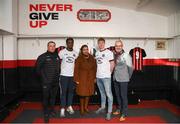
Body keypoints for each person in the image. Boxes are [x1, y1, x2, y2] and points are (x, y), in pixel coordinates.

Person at [36, 41, 60, 123]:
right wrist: (44, 79)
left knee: (53, 97)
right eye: (50, 46)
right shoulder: (42, 56)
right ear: (47, 47)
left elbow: (58, 68)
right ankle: (46, 113)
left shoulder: (57, 56)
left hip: (55, 82)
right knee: (46, 97)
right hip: (46, 82)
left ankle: (52, 110)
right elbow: (37, 70)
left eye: (53, 46)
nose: (52, 47)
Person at [113, 40, 133, 121]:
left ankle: (124, 113)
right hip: (115, 78)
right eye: (116, 46)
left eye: (119, 45)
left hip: (124, 79)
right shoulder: (114, 55)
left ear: (122, 46)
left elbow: (131, 68)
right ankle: (119, 109)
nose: (118, 47)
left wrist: (128, 77)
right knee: (117, 95)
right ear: (115, 47)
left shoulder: (126, 55)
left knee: (123, 96)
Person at [74, 45, 97, 115]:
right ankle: (81, 108)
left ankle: (85, 107)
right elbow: (76, 69)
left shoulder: (92, 58)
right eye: (84, 49)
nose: (86, 51)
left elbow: (95, 68)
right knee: (82, 94)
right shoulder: (79, 58)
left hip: (90, 78)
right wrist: (76, 79)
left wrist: (95, 77)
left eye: (86, 49)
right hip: (82, 78)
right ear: (81, 50)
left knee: (88, 93)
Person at [95, 38, 114, 120]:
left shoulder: (109, 52)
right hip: (98, 76)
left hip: (106, 77)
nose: (101, 44)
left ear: (104, 43)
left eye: (102, 43)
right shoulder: (97, 53)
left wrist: (109, 73)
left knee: (108, 94)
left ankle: (109, 112)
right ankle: (102, 107)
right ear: (98, 44)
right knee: (102, 93)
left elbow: (112, 64)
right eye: (99, 43)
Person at [59, 37, 78, 117]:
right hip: (64, 75)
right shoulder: (62, 52)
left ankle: (69, 106)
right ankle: (63, 108)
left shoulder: (76, 53)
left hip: (72, 76)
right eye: (69, 42)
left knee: (71, 92)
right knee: (63, 93)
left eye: (72, 42)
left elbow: (76, 64)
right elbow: (58, 63)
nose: (70, 44)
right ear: (66, 43)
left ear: (73, 43)